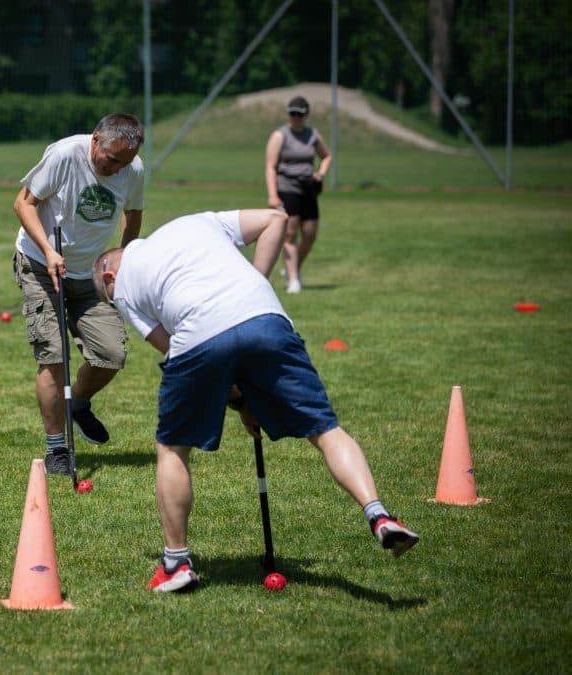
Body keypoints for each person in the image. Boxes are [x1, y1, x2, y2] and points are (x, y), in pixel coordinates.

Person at [92, 208, 420, 593]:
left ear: (109, 276)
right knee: (326, 430)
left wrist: (235, 396)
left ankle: (176, 564)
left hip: (199, 334)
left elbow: (171, 347)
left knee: (172, 448)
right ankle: (379, 515)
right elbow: (275, 218)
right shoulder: (197, 222)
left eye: (108, 297)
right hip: (264, 315)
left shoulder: (125, 286)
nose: (115, 301)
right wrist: (256, 280)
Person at [12, 113, 145, 476]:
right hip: (41, 263)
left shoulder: (132, 169)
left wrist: (121, 259)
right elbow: (23, 203)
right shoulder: (65, 154)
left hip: (91, 272)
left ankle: (79, 405)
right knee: (53, 356)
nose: (117, 168)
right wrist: (49, 251)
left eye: (125, 162)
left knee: (111, 354)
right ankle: (57, 448)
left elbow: (133, 215)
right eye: (111, 159)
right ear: (96, 139)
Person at [265, 95, 333, 294]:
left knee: (310, 235)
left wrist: (320, 174)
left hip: (308, 188)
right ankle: (294, 279)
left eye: (299, 114)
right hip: (287, 187)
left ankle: (292, 267)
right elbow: (270, 167)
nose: (295, 117)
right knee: (290, 233)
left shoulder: (312, 135)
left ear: (306, 115)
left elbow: (327, 156)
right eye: (292, 113)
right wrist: (272, 195)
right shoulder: (280, 136)